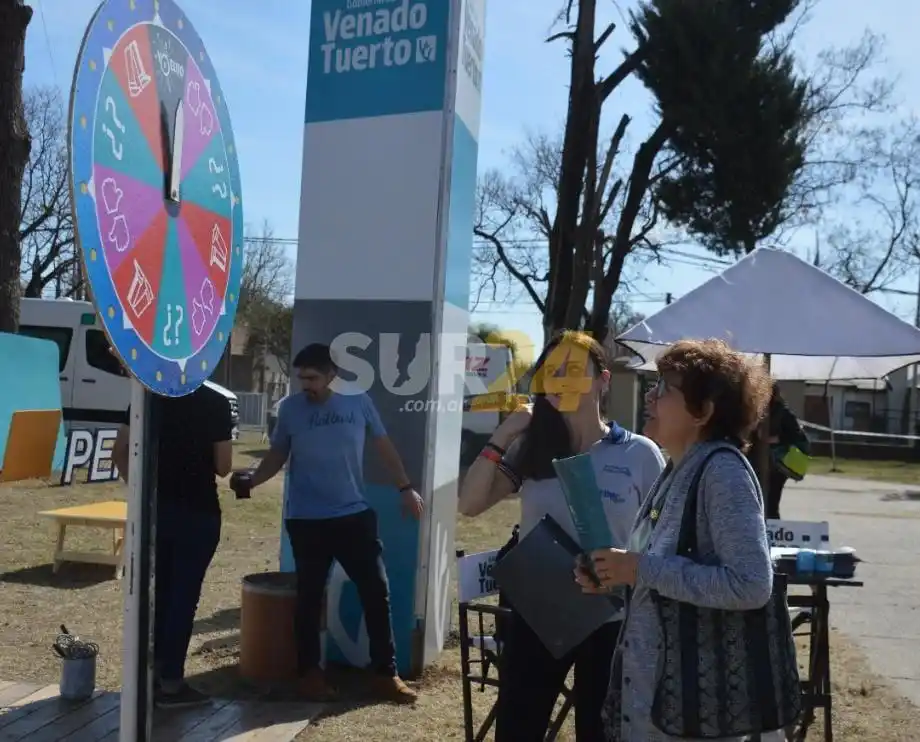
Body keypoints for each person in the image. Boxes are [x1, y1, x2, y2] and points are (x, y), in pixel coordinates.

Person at [459, 330, 665, 741]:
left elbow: (661, 533)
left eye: (572, 369)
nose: (560, 380)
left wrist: (626, 567)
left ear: (603, 380)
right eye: (551, 371)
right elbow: (470, 503)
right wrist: (505, 434)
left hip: (612, 618)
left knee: (599, 731)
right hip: (538, 613)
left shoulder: (640, 453)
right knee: (518, 730)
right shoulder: (533, 448)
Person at [575, 339, 776, 741]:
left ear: (703, 411)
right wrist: (616, 575)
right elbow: (662, 577)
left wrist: (639, 569)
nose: (650, 395)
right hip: (658, 708)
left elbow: (751, 584)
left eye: (665, 388)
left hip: (692, 714)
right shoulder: (677, 470)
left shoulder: (723, 474)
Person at [235, 343, 423, 704]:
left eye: (312, 378)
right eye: (301, 378)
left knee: (376, 590)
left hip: (353, 516)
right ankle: (309, 676)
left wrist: (405, 487)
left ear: (332, 375)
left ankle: (385, 674)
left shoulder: (359, 402)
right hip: (306, 519)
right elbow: (277, 454)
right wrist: (253, 481)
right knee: (309, 597)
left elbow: (384, 446)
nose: (305, 385)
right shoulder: (290, 409)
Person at [113, 382, 234, 708]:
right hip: (198, 510)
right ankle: (171, 682)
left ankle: (149, 674)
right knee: (183, 597)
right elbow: (224, 466)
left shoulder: (145, 398)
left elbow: (119, 451)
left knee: (158, 594)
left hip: (155, 511)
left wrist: (140, 491)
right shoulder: (215, 402)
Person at [750, 383, 810, 519]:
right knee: (756, 503)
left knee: (771, 504)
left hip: (777, 466)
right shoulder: (754, 412)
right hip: (756, 463)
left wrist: (775, 439)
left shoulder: (782, 413)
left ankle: (772, 529)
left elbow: (797, 436)